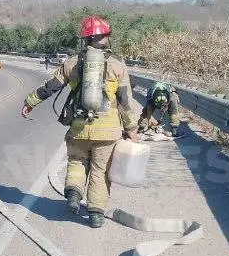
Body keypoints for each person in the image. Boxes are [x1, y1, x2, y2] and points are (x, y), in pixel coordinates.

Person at [21, 15, 140, 228]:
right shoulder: (117, 64)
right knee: (100, 170)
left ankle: (74, 194)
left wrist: (30, 102)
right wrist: (131, 129)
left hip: (78, 128)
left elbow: (50, 87)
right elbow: (125, 101)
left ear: (84, 39)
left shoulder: (72, 63)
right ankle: (95, 214)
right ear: (107, 37)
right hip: (107, 132)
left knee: (76, 162)